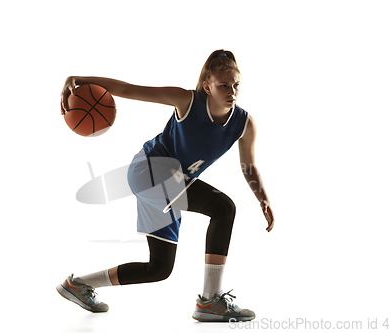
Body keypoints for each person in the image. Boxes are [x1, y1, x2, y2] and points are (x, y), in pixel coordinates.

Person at [57, 50, 274, 322]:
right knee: (223, 208)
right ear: (207, 86)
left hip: (173, 185)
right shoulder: (186, 101)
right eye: (223, 85)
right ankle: (209, 302)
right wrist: (78, 79)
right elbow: (128, 89)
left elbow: (248, 166)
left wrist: (262, 199)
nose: (231, 91)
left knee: (158, 268)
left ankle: (77, 285)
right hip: (148, 170)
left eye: (236, 85)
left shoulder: (244, 124)